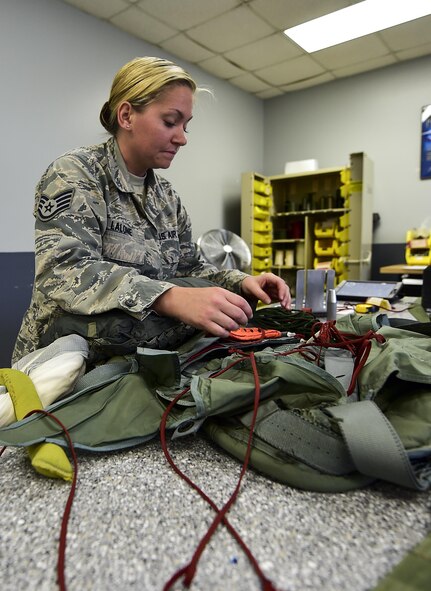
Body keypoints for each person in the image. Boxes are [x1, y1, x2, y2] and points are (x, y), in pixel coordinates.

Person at [12, 56, 290, 365]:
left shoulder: (167, 197)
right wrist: (168, 297)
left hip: (135, 355)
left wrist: (240, 282)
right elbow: (63, 272)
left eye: (185, 125)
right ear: (127, 115)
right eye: (170, 122)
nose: (182, 138)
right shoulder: (77, 174)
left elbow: (190, 268)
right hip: (61, 362)